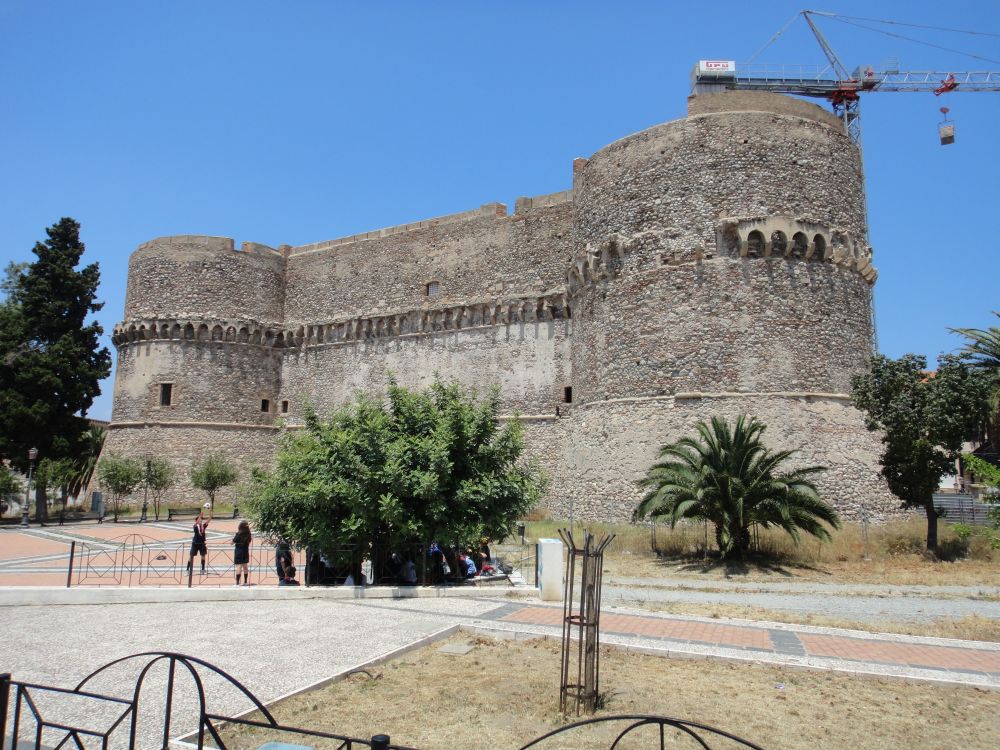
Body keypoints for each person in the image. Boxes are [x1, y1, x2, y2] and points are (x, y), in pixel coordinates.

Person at [186, 510, 210, 575]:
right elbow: (197, 522)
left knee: (203, 555)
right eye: (199, 520)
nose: (200, 521)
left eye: (201, 520)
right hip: (195, 543)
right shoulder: (195, 526)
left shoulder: (203, 526)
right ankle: (188, 570)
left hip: (202, 543)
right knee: (191, 556)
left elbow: (208, 520)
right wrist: (200, 516)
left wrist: (210, 513)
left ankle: (202, 569)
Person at [232, 520, 251, 586]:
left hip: (239, 551)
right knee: (245, 566)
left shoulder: (238, 534)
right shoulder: (248, 534)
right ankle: (245, 581)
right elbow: (249, 542)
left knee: (239, 566)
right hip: (245, 551)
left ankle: (237, 582)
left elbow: (233, 542)